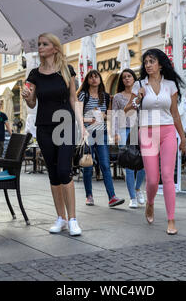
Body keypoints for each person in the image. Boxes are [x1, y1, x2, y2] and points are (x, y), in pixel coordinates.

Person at [22, 32, 83, 236]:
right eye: (38, 44)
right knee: (54, 173)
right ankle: (61, 218)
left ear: (55, 48)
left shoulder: (67, 70)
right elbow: (32, 103)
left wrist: (81, 125)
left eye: (44, 44)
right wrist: (27, 98)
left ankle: (73, 219)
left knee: (65, 170)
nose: (40, 47)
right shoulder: (34, 75)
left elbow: (73, 99)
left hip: (65, 124)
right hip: (44, 126)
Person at [124, 49, 186, 235]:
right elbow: (127, 110)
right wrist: (138, 98)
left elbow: (174, 113)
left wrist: (182, 137)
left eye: (152, 61)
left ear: (160, 64)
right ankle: (150, 203)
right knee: (152, 179)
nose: (148, 65)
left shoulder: (170, 85)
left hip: (168, 132)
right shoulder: (139, 85)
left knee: (168, 176)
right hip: (147, 132)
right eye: (146, 62)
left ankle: (171, 219)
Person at [77, 70, 125, 208]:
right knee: (88, 165)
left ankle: (112, 197)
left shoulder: (104, 96)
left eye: (96, 76)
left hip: (101, 134)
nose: (94, 79)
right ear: (87, 80)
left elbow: (106, 115)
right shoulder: (83, 95)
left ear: (100, 79)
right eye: (91, 77)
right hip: (88, 134)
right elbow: (78, 115)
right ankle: (89, 196)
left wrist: (103, 117)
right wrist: (89, 120)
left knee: (105, 164)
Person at [112, 69, 146, 209]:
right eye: (124, 77)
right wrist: (114, 133)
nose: (126, 79)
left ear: (134, 78)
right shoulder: (117, 97)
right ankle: (132, 197)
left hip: (140, 129)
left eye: (129, 76)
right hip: (124, 130)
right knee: (129, 165)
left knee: (145, 162)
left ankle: (138, 189)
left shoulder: (141, 93)